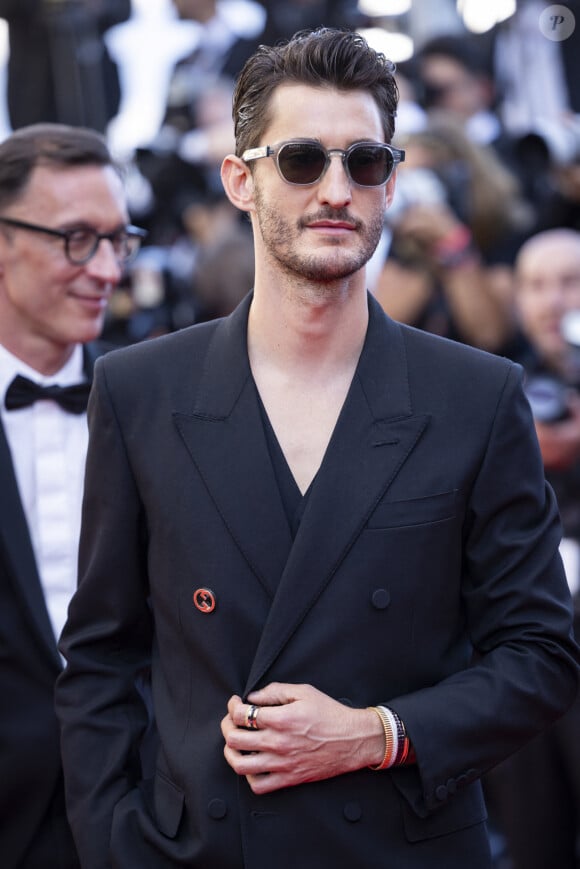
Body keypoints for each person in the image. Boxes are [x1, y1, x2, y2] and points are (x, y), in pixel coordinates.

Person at [55, 28, 579, 869]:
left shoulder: (475, 396)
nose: (335, 189)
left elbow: (542, 655)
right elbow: (102, 658)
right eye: (301, 160)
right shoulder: (141, 390)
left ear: (392, 183)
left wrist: (378, 734)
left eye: (364, 162)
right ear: (241, 178)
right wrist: (118, 844)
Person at [0, 123, 145, 869]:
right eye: (77, 238)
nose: (107, 269)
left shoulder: (161, 402)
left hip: (144, 809)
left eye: (119, 240)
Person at [484, 228, 580, 869]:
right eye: (536, 285)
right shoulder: (492, 386)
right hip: (523, 650)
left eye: (570, 282)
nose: (552, 302)